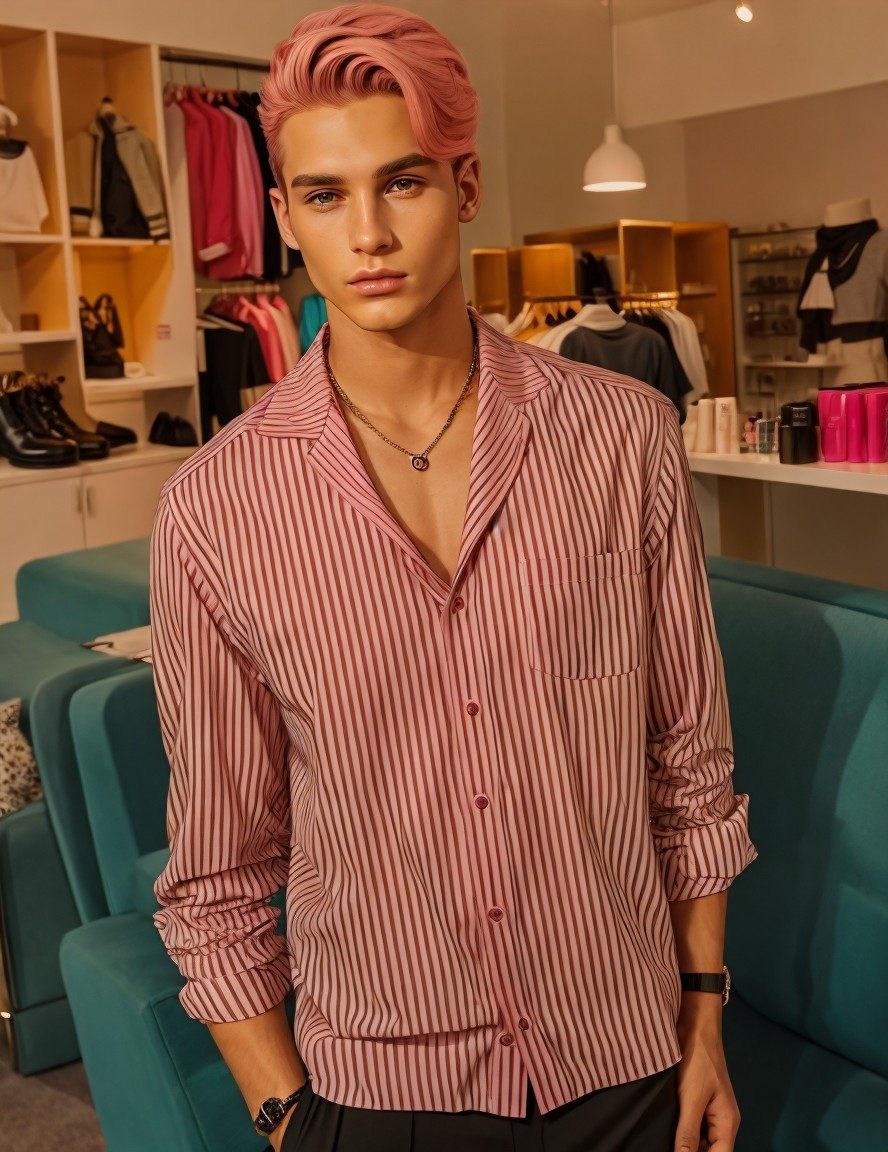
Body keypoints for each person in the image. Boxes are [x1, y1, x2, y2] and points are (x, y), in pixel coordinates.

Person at [150, 7, 757, 1152]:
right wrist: (286, 1115)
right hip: (377, 1096)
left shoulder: (620, 436)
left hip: (627, 1064)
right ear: (282, 214)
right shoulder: (216, 506)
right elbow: (219, 870)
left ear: (467, 185)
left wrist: (705, 1017)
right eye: (326, 195)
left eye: (405, 182)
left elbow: (690, 764)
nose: (368, 232)